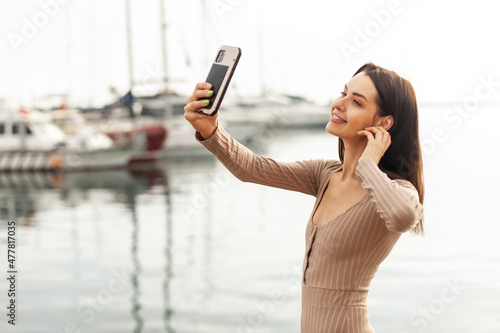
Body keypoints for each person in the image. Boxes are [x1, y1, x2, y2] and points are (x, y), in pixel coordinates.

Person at [184, 62, 424, 333]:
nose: (339, 104)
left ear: (383, 123)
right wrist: (210, 129)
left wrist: (368, 164)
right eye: (343, 93)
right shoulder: (324, 174)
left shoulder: (396, 189)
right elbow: (253, 168)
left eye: (356, 102)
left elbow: (403, 218)